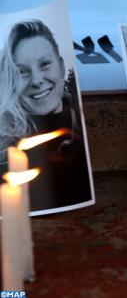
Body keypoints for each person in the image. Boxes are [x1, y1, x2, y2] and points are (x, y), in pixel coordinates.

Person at [0, 19, 91, 211]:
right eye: (23, 72)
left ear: (60, 65)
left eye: (44, 64)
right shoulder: (5, 150)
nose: (37, 80)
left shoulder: (83, 126)